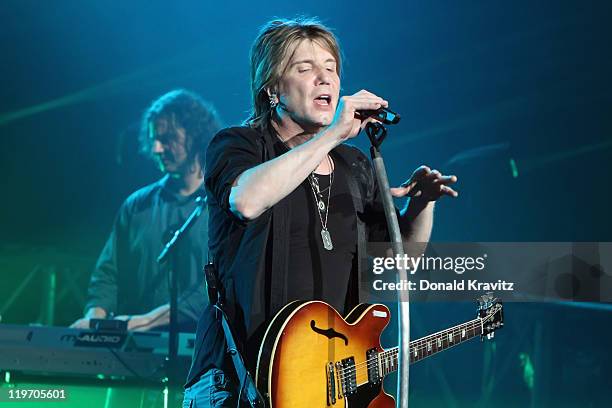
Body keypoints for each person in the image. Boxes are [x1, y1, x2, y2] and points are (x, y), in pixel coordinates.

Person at [183, 17, 458, 406]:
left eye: (331, 68)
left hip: (326, 387)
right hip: (242, 379)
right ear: (272, 88)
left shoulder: (355, 168)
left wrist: (422, 204)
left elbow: (400, 262)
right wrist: (333, 135)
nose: (325, 78)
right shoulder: (239, 146)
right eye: (306, 68)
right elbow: (245, 201)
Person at [71, 89, 222, 332]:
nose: (156, 149)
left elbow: (221, 283)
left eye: (167, 138)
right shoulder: (137, 205)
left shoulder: (222, 203)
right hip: (134, 347)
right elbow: (109, 273)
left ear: (195, 135)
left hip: (202, 345)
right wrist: (95, 321)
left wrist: (148, 320)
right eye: (153, 139)